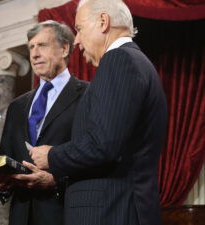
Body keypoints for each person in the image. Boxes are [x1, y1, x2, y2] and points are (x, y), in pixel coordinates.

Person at [30, 0, 168, 225]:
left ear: (103, 22)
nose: (76, 40)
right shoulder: (137, 62)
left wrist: (51, 156)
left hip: (110, 212)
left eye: (80, 29)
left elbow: (102, 145)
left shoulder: (119, 60)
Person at [0, 20, 88, 225]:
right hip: (21, 215)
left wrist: (56, 182)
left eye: (42, 45)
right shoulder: (17, 106)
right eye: (31, 47)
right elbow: (6, 156)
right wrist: (1, 182)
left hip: (64, 213)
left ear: (64, 48)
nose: (34, 54)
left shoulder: (88, 95)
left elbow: (92, 155)